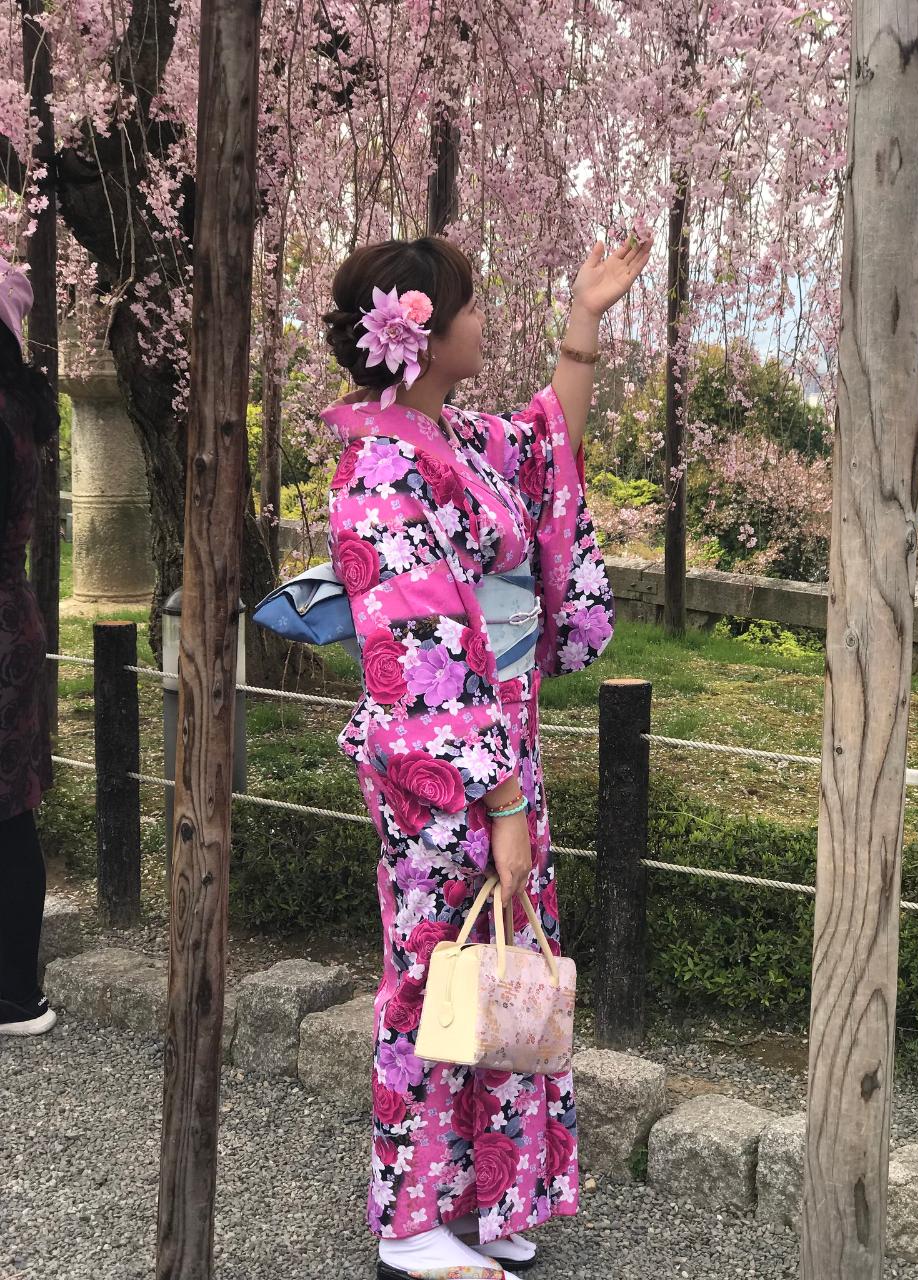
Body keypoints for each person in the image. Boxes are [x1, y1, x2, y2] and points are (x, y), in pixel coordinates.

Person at [318, 229, 652, 1280]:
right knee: (432, 972)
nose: (480, 318)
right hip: (440, 771)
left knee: (501, 972)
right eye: (466, 304)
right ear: (420, 329)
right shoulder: (380, 466)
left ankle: (490, 1187)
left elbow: (550, 443)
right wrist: (497, 793)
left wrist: (585, 322)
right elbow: (417, 649)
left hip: (502, 746)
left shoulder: (454, 439)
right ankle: (411, 1216)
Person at [0, 256, 59, 1036]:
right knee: (9, 812)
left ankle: (15, 994)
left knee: (7, 815)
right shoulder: (18, 407)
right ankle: (16, 991)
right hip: (12, 623)